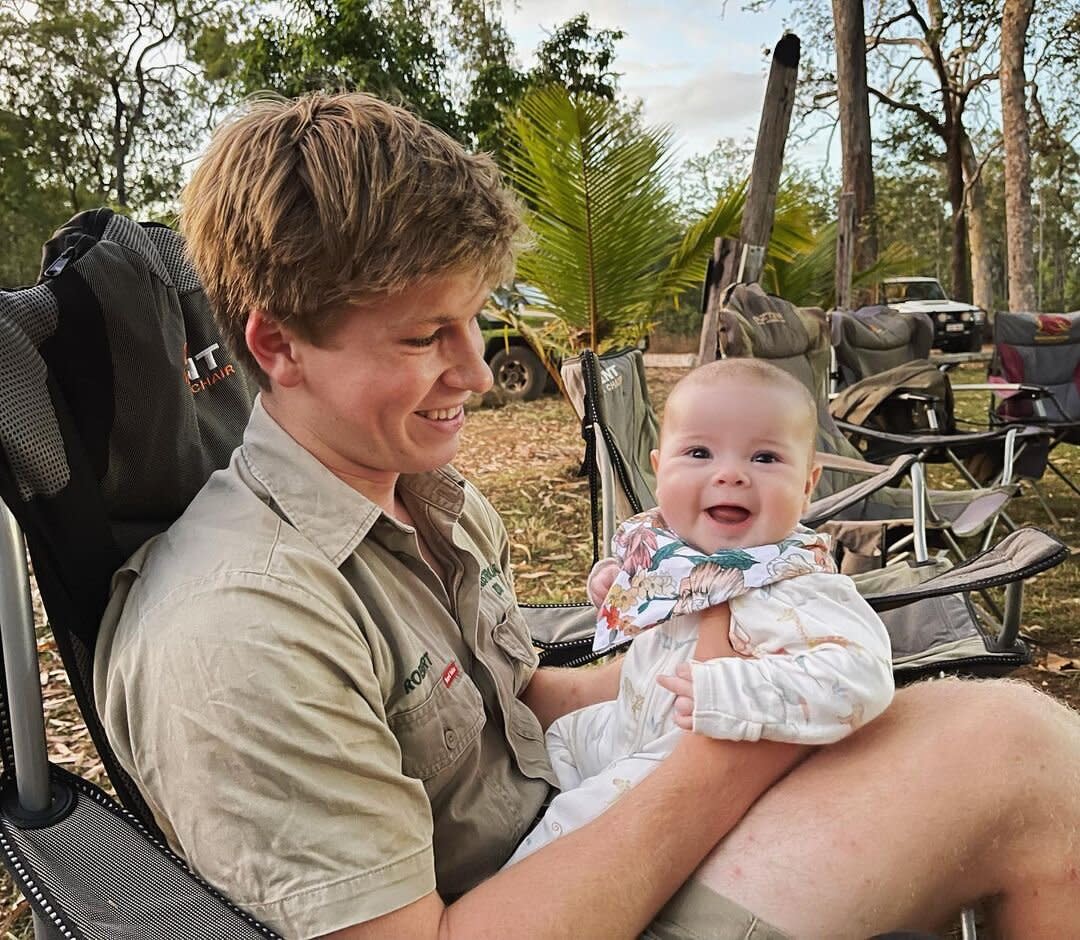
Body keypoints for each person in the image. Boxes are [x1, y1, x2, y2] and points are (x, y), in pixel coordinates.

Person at [93, 90, 1080, 940]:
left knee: (976, 738)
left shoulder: (419, 499)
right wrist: (741, 738)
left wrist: (703, 658)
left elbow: (509, 700)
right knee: (1023, 766)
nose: (477, 373)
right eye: (424, 336)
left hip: (568, 827)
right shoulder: (235, 628)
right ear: (279, 345)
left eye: (474, 319)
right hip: (524, 903)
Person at [506, 359, 894, 866]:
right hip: (626, 724)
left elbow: (863, 679)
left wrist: (728, 690)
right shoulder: (678, 550)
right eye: (699, 452)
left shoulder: (798, 586)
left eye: (765, 458)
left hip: (679, 763)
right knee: (558, 740)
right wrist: (614, 583)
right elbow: (659, 594)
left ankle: (519, 894)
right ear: (658, 467)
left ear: (807, 483)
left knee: (568, 831)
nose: (730, 474)